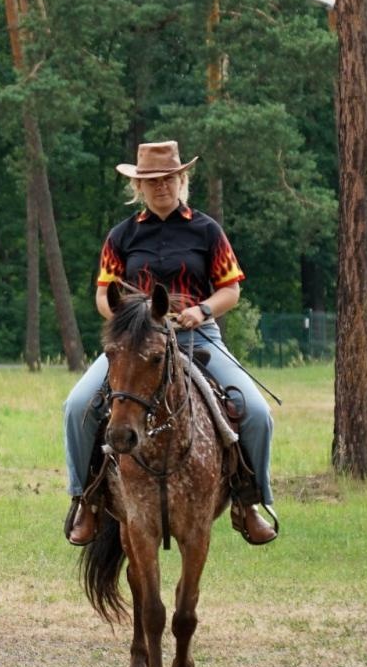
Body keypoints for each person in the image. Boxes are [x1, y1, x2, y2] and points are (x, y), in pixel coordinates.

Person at [62, 140, 276, 546]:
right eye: (152, 180)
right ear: (139, 187)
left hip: (199, 336)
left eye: (169, 178)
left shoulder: (207, 230)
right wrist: (134, 319)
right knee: (77, 406)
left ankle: (248, 503)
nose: (161, 186)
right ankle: (86, 501)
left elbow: (230, 290)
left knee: (256, 411)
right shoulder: (121, 236)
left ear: (182, 180)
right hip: (137, 342)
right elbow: (104, 297)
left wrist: (203, 311)